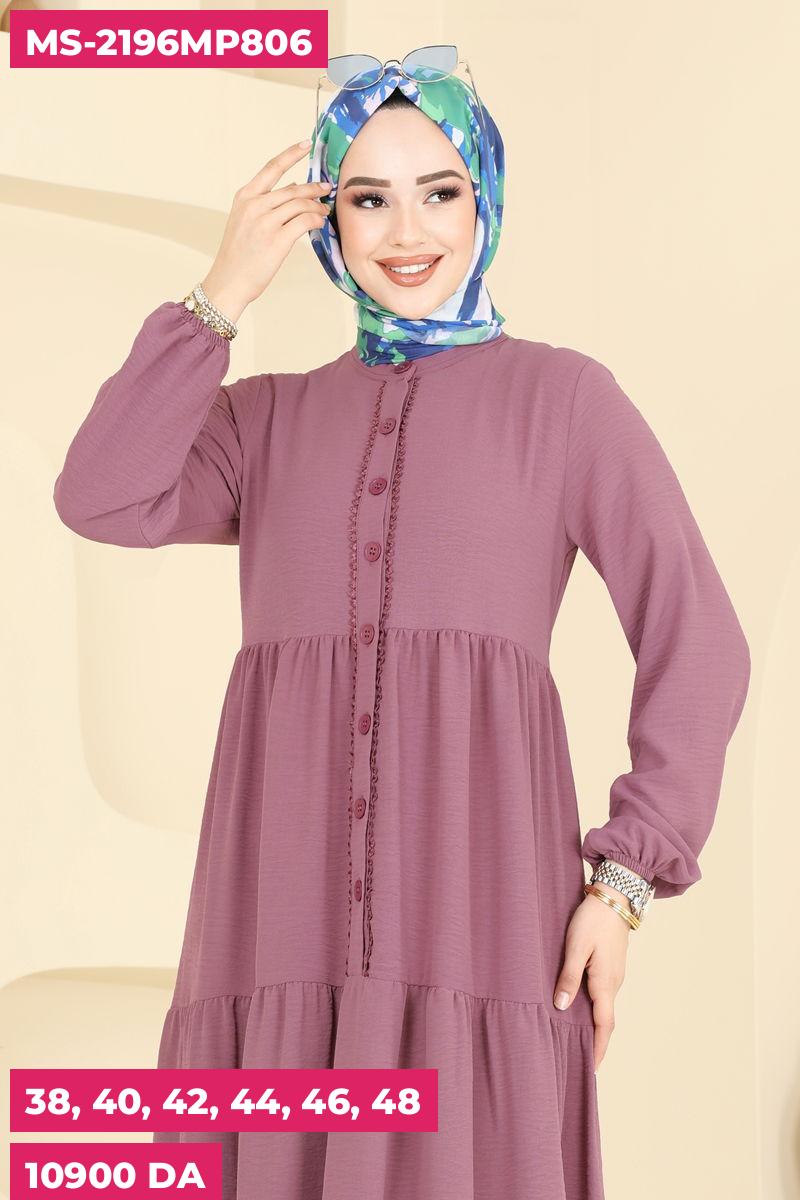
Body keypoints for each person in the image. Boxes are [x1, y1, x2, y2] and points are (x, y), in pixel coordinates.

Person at [52, 61, 751, 1200]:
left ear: (485, 199)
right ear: (324, 218)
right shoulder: (264, 420)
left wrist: (623, 881)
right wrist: (221, 292)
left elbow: (699, 638)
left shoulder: (565, 402)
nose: (406, 231)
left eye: (440, 192)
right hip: (273, 918)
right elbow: (99, 494)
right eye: (367, 198)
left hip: (481, 917)